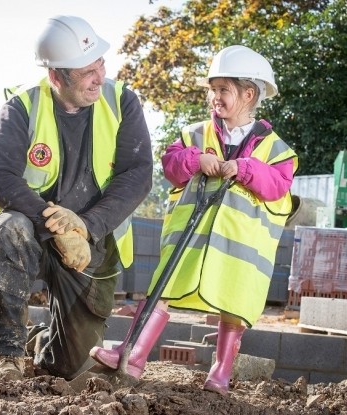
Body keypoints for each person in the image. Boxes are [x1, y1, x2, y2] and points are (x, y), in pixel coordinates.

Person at [90, 45, 298, 394]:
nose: (214, 97)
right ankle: (132, 354)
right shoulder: (195, 134)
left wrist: (244, 168)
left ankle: (220, 374)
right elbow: (171, 165)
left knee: (233, 306)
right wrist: (196, 159)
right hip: (190, 236)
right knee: (161, 292)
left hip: (238, 248)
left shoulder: (276, 149)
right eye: (212, 90)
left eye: (223, 90)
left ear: (249, 94)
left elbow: (278, 186)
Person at [0, 15, 153, 381]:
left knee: (73, 367)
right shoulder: (21, 108)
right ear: (57, 77)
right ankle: (6, 354)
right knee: (11, 225)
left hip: (92, 243)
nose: (100, 77)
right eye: (87, 72)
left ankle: (40, 343)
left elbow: (137, 174)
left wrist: (86, 227)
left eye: (101, 64)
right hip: (35, 234)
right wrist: (55, 223)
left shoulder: (122, 102)